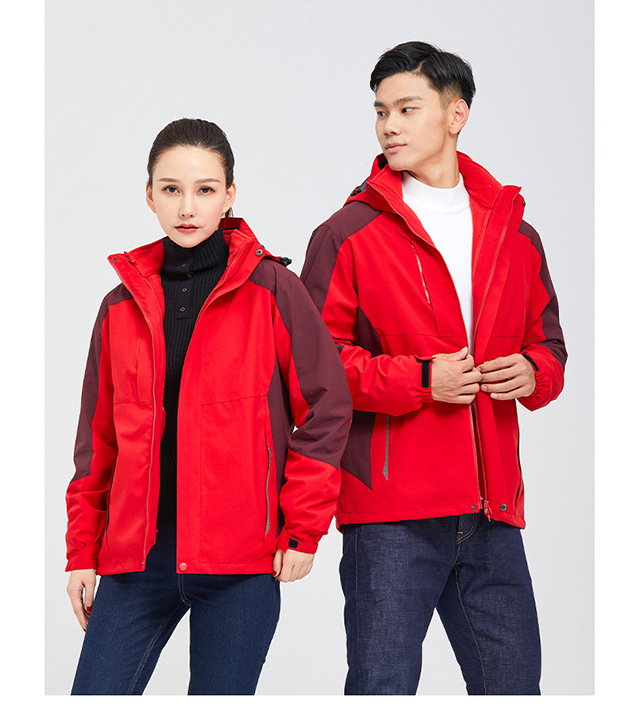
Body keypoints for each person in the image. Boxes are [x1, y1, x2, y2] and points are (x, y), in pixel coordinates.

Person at [300, 41, 567, 695]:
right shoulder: (347, 234)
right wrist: (421, 381)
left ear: (456, 114)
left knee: (514, 688)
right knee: (382, 688)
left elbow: (549, 347)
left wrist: (533, 371)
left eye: (407, 108)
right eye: (380, 111)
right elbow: (312, 370)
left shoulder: (514, 234)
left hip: (492, 511)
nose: (388, 125)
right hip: (391, 515)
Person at [65, 117, 352, 695]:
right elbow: (98, 443)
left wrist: (303, 529)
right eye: (171, 189)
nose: (187, 207)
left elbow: (327, 408)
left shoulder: (273, 290)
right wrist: (81, 552)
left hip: (240, 563)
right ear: (150, 195)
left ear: (229, 195)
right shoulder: (120, 305)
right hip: (136, 558)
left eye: (205, 189)